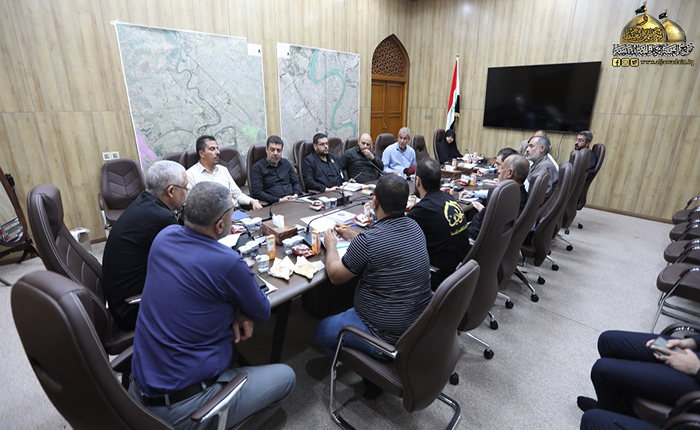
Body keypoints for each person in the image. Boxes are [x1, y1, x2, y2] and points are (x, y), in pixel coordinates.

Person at [129, 182, 296, 430]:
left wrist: (236, 310)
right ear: (220, 226)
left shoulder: (164, 237)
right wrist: (242, 309)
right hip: (183, 407)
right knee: (287, 378)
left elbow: (193, 286)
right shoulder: (228, 262)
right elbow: (262, 312)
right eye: (232, 210)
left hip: (136, 390)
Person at [317, 174, 432, 398]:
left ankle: (371, 368)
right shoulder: (415, 226)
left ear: (375, 201)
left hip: (383, 332)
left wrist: (331, 245)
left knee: (321, 331)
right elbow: (385, 241)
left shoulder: (368, 241)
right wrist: (354, 235)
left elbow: (335, 276)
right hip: (416, 323)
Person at [102, 160, 188, 331]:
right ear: (171, 191)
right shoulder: (161, 218)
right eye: (185, 188)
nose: (187, 192)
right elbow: (187, 261)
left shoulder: (145, 201)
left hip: (121, 301)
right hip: (133, 308)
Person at [409, 158, 470, 290]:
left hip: (440, 278)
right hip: (461, 272)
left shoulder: (422, 210)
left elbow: (400, 242)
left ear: (417, 181)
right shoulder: (449, 198)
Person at [186, 135, 262, 210]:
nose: (218, 152)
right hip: (212, 215)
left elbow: (237, 194)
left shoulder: (223, 170)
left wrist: (253, 201)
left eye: (217, 148)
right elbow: (192, 206)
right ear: (201, 153)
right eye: (212, 149)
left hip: (234, 211)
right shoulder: (190, 175)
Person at [467, 154, 530, 240]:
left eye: (502, 168)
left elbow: (478, 233)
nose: (499, 171)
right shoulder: (520, 195)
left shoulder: (503, 201)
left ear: (510, 173)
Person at [250, 135, 302, 204]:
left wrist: (296, 194)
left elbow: (296, 182)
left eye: (278, 150)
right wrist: (279, 200)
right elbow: (257, 192)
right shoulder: (258, 167)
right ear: (266, 150)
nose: (275, 153)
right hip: (274, 204)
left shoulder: (286, 163)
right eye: (272, 150)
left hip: (293, 201)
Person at [526, 135, 558, 199]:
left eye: (531, 146)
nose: (527, 150)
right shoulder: (539, 162)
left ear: (542, 148)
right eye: (527, 147)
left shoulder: (545, 166)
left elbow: (541, 195)